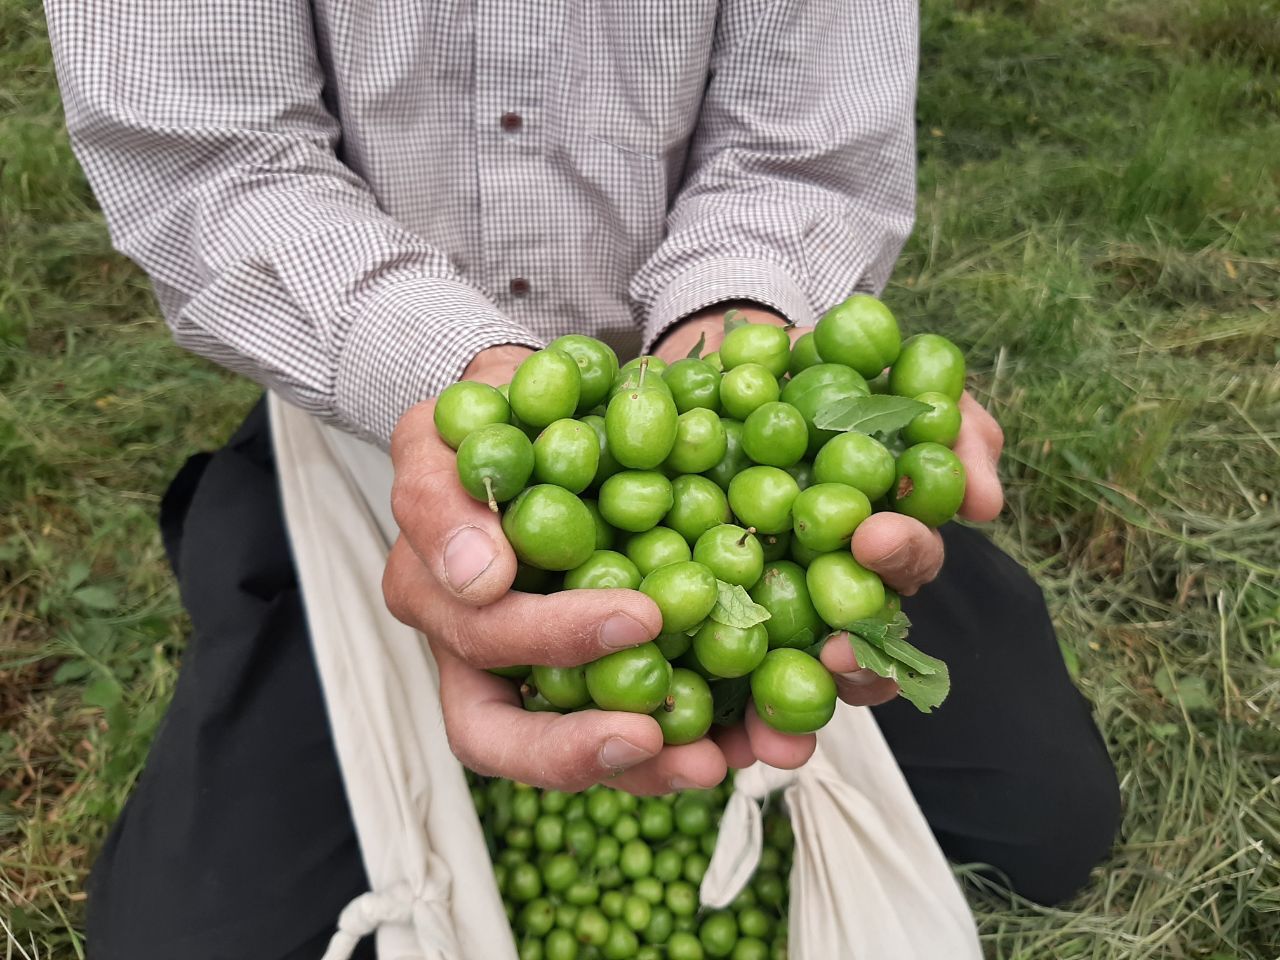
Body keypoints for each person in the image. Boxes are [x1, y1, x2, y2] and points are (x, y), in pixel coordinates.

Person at [47, 1, 1120, 957]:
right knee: (182, 936)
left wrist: (733, 321)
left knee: (1045, 819)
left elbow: (797, 152)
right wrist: (451, 381)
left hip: (732, 421)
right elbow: (210, 154)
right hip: (371, 408)